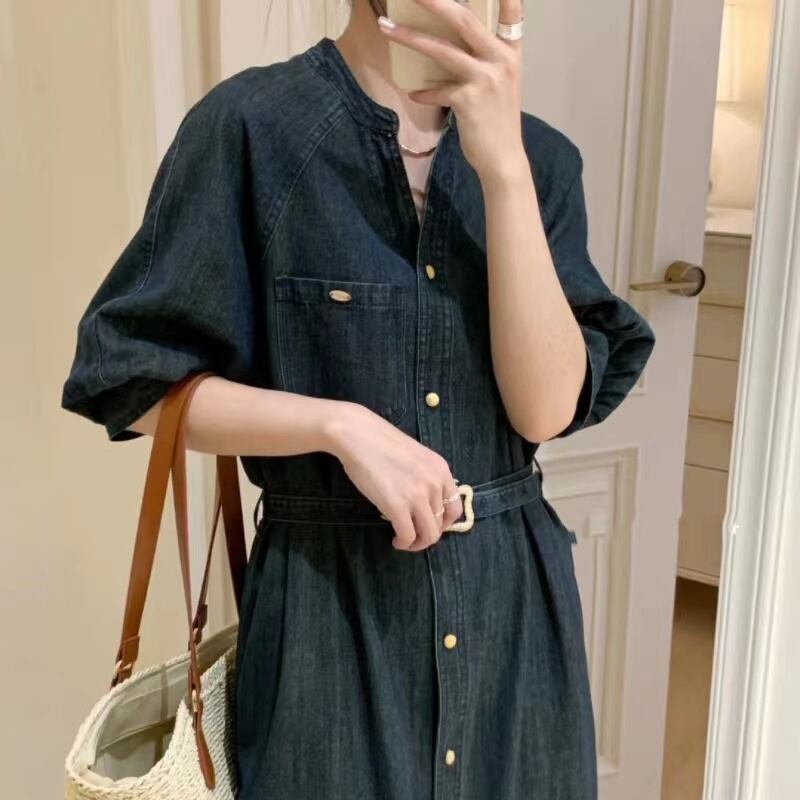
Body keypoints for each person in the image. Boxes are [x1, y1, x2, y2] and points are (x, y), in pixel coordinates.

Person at [61, 1, 656, 798]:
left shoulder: (540, 160)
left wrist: (504, 173)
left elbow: (545, 411)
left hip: (513, 619)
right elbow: (127, 379)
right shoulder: (253, 130)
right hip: (328, 626)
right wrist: (337, 426)